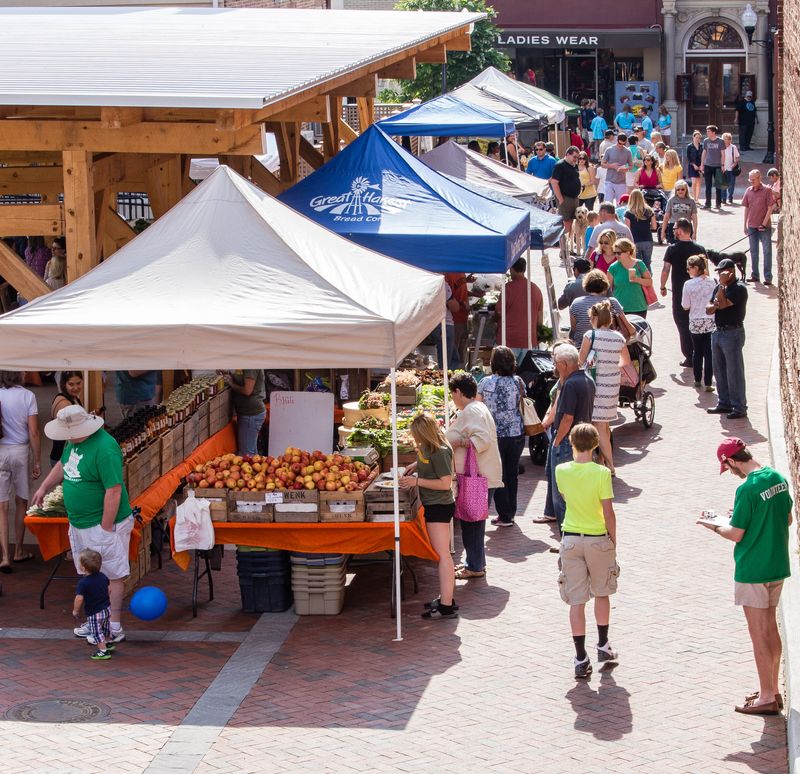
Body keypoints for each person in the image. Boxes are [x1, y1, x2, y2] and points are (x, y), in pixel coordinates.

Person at [698, 438, 792, 715]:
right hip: (777, 564)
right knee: (770, 628)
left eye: (728, 467)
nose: (731, 473)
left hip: (753, 568)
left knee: (757, 634)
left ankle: (765, 697)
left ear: (730, 460)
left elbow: (735, 534)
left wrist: (712, 526)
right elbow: (785, 518)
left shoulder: (747, 488)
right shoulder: (777, 477)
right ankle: (773, 690)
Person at [33, 405, 133, 643]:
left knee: (112, 575)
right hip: (80, 523)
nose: (66, 438)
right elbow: (64, 464)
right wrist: (44, 486)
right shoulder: (74, 440)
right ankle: (96, 620)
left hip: (103, 523)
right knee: (90, 574)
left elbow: (114, 491)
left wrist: (106, 528)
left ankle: (113, 626)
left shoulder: (105, 448)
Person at [556, 422, 618, 679]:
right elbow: (608, 512)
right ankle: (603, 644)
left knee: (576, 600)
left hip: (570, 538)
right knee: (602, 592)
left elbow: (565, 498)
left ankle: (580, 657)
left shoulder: (561, 471)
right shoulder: (602, 473)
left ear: (572, 443)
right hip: (596, 537)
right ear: (595, 445)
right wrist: (613, 541)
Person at [445, 373, 503, 580]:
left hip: (478, 478)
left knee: (473, 523)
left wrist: (459, 441)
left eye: (452, 393)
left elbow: (482, 440)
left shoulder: (473, 411)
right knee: (472, 522)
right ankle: (474, 563)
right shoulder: (475, 408)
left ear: (459, 392)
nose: (452, 398)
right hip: (478, 476)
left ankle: (475, 566)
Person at [400, 412, 457, 620]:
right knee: (442, 555)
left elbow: (444, 483)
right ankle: (447, 597)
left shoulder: (440, 451)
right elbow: (427, 461)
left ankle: (446, 605)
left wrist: (417, 481)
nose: (416, 440)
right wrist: (416, 466)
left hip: (439, 505)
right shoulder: (430, 446)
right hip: (435, 504)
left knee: (443, 555)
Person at [477, 346, 526, 528]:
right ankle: (510, 513)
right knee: (511, 473)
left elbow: (478, 406)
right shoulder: (518, 381)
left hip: (494, 434)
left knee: (497, 473)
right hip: (516, 433)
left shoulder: (485, 382)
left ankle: (504, 514)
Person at [577, 301, 629, 474]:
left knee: (599, 425)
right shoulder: (619, 337)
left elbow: (580, 360)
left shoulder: (590, 336)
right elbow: (626, 361)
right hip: (612, 384)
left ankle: (611, 465)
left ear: (594, 318)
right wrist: (611, 366)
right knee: (605, 425)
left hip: (596, 384)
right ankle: (602, 460)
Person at [548, 345, 596, 531]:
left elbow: (567, 418)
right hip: (583, 441)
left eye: (557, 364)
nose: (555, 367)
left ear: (565, 364)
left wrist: (557, 441)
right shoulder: (588, 379)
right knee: (578, 492)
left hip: (568, 443)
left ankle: (566, 536)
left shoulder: (569, 384)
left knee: (561, 493)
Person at [0, 371, 41, 571]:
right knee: (21, 500)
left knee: (2, 506)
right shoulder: (28, 396)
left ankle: (5, 556)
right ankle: (18, 550)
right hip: (20, 451)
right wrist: (38, 460)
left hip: (0, 451)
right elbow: (33, 431)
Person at [706, 259, 748, 419]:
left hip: (733, 332)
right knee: (719, 369)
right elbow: (709, 309)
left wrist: (721, 291)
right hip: (718, 332)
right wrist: (717, 301)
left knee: (734, 371)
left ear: (731, 271)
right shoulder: (719, 287)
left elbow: (721, 304)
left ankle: (739, 407)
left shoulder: (739, 289)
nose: (718, 274)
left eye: (721, 272)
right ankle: (724, 403)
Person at [661, 217, 704, 367]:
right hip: (698, 292)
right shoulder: (699, 249)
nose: (673, 232)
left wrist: (662, 286)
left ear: (679, 231)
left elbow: (666, 269)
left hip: (680, 293)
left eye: (674, 230)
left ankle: (689, 355)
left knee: (683, 324)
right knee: (697, 321)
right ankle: (698, 352)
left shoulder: (672, 249)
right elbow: (706, 272)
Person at [495, 257, 543, 362]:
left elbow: (499, 311)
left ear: (511, 269)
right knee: (525, 374)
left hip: (509, 340)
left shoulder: (508, 288)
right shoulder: (536, 289)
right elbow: (540, 320)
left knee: (504, 373)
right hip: (529, 340)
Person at [570, 269, 633, 347]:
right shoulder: (612, 302)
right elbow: (628, 326)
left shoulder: (576, 303)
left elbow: (574, 327)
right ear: (605, 285)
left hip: (581, 345)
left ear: (586, 284)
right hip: (608, 345)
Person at [681, 254, 717, 391]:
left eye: (689, 268)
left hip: (695, 320)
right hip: (710, 320)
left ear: (696, 268)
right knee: (709, 352)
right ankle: (708, 382)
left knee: (697, 351)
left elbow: (685, 305)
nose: (688, 271)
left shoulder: (688, 284)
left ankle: (697, 379)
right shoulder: (713, 281)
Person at [73, 549, 114, 660]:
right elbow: (109, 590)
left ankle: (103, 651)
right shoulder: (103, 576)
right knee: (106, 628)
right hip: (106, 608)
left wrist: (75, 610)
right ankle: (108, 643)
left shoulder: (83, 583)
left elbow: (79, 598)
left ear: (83, 567)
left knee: (96, 632)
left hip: (94, 612)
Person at [741, 169, 776, 285]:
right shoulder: (748, 191)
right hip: (752, 226)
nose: (752, 182)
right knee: (753, 251)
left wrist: (764, 224)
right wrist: (744, 225)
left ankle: (768, 277)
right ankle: (755, 275)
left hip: (764, 227)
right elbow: (746, 208)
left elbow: (770, 208)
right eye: (750, 180)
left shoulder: (767, 190)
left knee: (767, 251)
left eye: (753, 180)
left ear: (759, 178)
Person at [223, 369, 266, 455]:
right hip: (248, 413)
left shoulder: (250, 366)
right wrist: (228, 374)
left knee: (246, 454)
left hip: (251, 414)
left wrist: (232, 383)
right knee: (252, 454)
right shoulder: (246, 363)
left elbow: (247, 391)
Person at [608, 238, 652, 318]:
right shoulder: (613, 267)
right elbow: (608, 290)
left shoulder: (639, 264)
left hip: (639, 307)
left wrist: (637, 279)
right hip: (619, 309)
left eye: (619, 253)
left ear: (628, 252)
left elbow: (649, 282)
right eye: (615, 253)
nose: (616, 255)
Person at [50, 371, 84, 467]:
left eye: (78, 383)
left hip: (65, 455)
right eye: (71, 384)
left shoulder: (72, 398)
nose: (76, 387)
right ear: (64, 384)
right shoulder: (65, 404)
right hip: (62, 458)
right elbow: (73, 431)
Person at [550, 146, 582, 238]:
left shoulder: (574, 165)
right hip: (565, 198)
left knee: (572, 223)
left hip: (574, 198)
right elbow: (554, 182)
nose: (576, 160)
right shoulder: (560, 165)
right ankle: (563, 248)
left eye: (577, 158)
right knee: (566, 224)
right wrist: (561, 199)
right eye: (574, 157)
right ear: (567, 154)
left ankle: (570, 246)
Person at [624, 189, 656, 271]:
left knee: (637, 264)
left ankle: (640, 281)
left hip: (635, 241)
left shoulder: (628, 213)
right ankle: (649, 280)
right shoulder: (649, 211)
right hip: (648, 239)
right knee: (647, 263)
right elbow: (654, 226)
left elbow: (627, 229)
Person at [445, 273, 470, 368]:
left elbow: (461, 292)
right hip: (454, 320)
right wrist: (461, 304)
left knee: (461, 353)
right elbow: (447, 297)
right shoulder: (448, 273)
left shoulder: (461, 272)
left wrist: (473, 294)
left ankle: (460, 376)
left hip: (463, 317)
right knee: (453, 355)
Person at [661, 180, 698, 244]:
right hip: (674, 226)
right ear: (676, 190)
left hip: (687, 226)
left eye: (682, 189)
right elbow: (666, 217)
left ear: (686, 190)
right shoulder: (671, 200)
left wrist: (694, 232)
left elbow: (694, 218)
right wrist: (663, 232)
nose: (680, 191)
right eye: (678, 189)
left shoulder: (691, 201)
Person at [601, 133, 633, 204]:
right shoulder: (609, 149)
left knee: (620, 204)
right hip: (609, 180)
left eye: (623, 144)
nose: (621, 145)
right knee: (608, 203)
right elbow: (602, 164)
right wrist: (612, 166)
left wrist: (626, 169)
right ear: (617, 140)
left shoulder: (627, 152)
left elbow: (631, 166)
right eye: (619, 143)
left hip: (621, 181)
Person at [700, 125, 725, 210]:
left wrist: (722, 165)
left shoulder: (720, 141)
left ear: (713, 132)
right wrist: (702, 164)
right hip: (708, 165)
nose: (707, 133)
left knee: (718, 186)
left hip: (717, 166)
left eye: (708, 131)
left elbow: (723, 154)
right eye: (707, 131)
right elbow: (704, 152)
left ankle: (718, 203)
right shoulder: (706, 141)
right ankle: (708, 203)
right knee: (708, 185)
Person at [721, 133, 740, 206]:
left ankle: (730, 197)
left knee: (731, 184)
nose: (726, 141)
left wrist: (734, 164)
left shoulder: (733, 147)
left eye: (727, 139)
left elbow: (737, 157)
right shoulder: (721, 147)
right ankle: (723, 199)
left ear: (730, 140)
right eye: (724, 139)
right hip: (723, 168)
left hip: (731, 169)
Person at [686, 130, 704, 201]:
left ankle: (697, 198)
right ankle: (693, 198)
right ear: (693, 137)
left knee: (699, 183)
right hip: (692, 166)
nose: (698, 139)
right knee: (694, 182)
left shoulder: (702, 146)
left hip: (700, 166)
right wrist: (694, 165)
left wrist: (701, 165)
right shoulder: (689, 146)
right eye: (696, 137)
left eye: (699, 138)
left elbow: (704, 156)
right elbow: (688, 157)